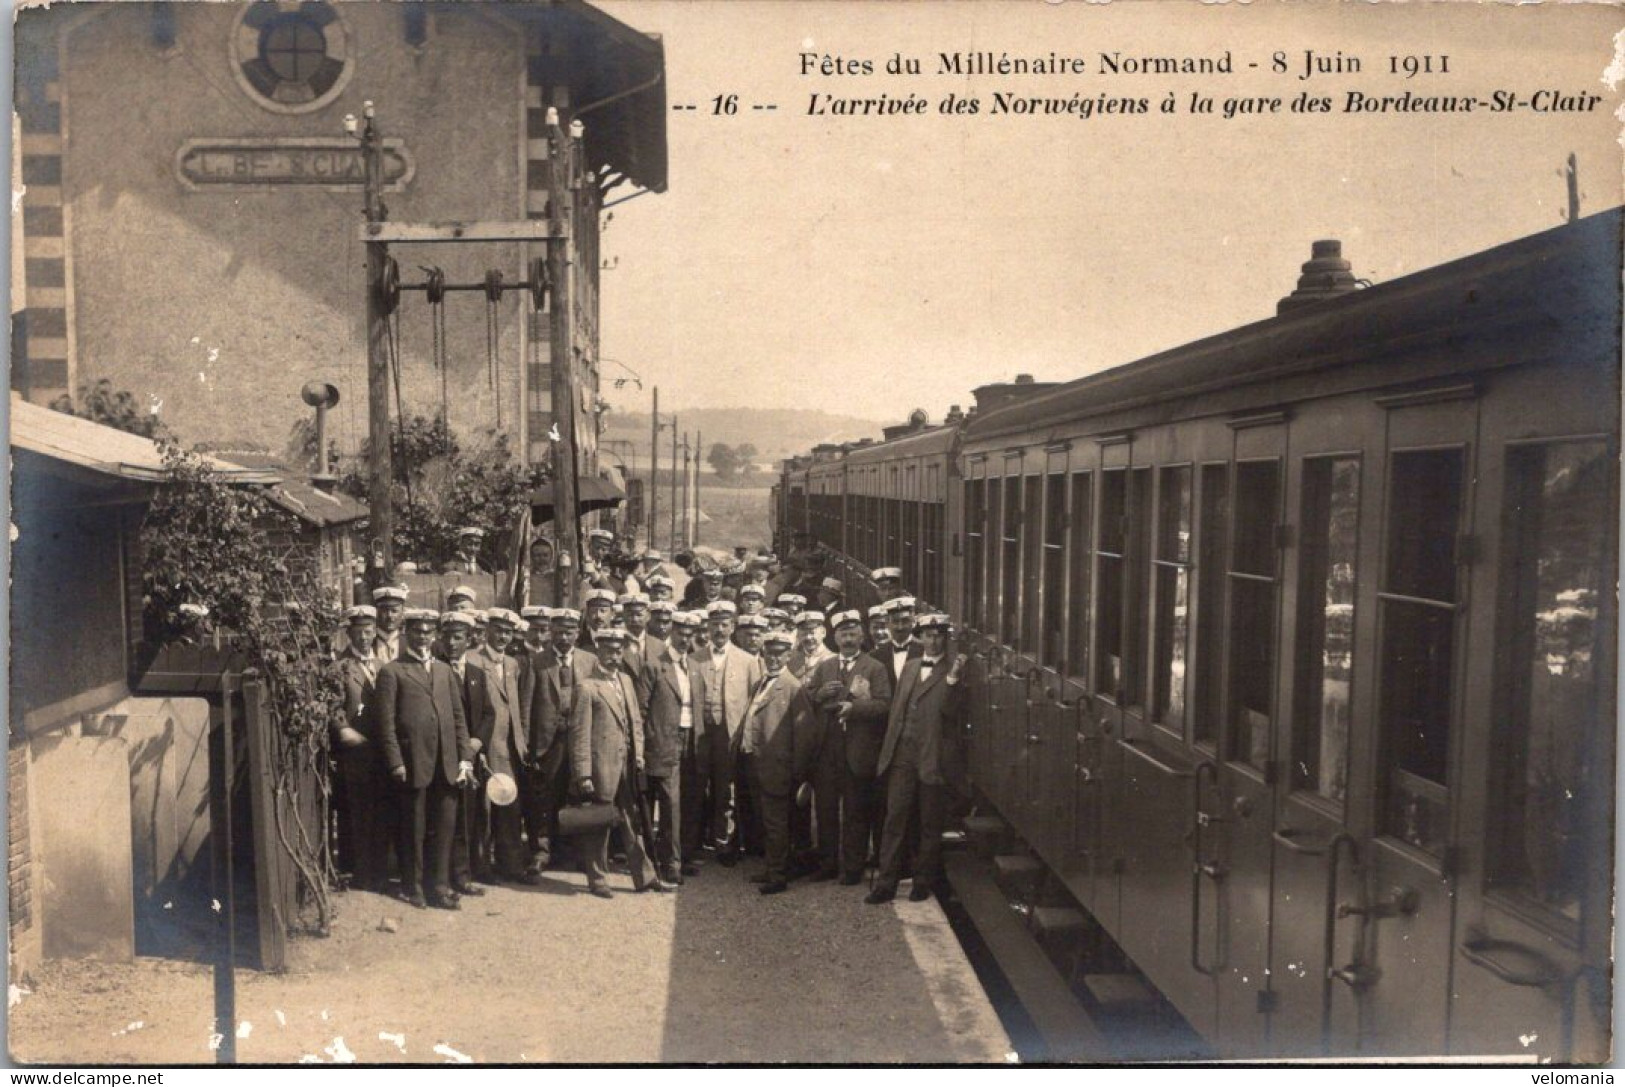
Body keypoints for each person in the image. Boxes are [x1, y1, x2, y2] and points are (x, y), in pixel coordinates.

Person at [867, 615, 978, 905]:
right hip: (902, 753)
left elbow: (952, 715)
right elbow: (897, 711)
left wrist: (953, 679)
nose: (933, 641)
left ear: (945, 639)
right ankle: (886, 882)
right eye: (928, 635)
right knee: (895, 817)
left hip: (932, 757)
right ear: (921, 638)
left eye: (938, 636)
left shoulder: (954, 671)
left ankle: (922, 881)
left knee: (929, 823)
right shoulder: (912, 667)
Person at [376, 609, 473, 910]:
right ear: (407, 634)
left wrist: (465, 759)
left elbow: (458, 718)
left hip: (447, 763)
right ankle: (412, 886)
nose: (423, 637)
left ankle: (440, 887)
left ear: (435, 635)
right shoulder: (392, 672)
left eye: (428, 631)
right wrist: (395, 762)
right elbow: (386, 724)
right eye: (417, 631)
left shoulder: (444, 671)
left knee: (444, 829)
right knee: (414, 829)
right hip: (413, 762)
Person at [568, 629, 672, 898]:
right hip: (602, 766)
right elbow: (579, 735)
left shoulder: (625, 680)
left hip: (627, 766)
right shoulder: (587, 687)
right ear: (598, 651)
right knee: (599, 824)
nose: (614, 656)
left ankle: (645, 876)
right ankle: (598, 879)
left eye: (618, 651)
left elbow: (635, 720)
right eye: (608, 651)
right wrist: (583, 774)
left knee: (632, 820)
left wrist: (638, 755)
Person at [806, 610, 893, 885]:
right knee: (826, 809)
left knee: (855, 811)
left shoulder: (874, 667)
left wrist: (854, 708)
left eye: (853, 633)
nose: (848, 639)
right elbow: (808, 698)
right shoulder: (826, 666)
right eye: (843, 634)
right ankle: (827, 863)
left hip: (857, 748)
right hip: (827, 748)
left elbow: (884, 704)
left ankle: (853, 867)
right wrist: (819, 695)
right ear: (835, 637)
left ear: (862, 636)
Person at [741, 631, 818, 895]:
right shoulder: (762, 683)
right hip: (758, 764)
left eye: (779, 653)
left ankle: (778, 875)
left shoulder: (793, 688)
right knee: (766, 820)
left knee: (777, 824)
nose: (773, 658)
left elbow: (805, 734)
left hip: (779, 767)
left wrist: (797, 773)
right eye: (768, 653)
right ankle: (771, 866)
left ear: (788, 655)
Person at [695, 600, 763, 866]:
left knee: (727, 789)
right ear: (708, 627)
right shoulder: (694, 658)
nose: (719, 630)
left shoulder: (747, 661)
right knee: (698, 785)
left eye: (724, 625)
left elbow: (755, 704)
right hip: (701, 733)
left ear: (733, 627)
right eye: (714, 625)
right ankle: (697, 841)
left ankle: (726, 842)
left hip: (730, 733)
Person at [468, 608, 533, 883]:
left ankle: (511, 864)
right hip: (484, 744)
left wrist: (522, 741)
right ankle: (481, 866)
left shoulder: (513, 665)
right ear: (487, 631)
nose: (503, 636)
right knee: (483, 807)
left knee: (509, 804)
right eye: (498, 630)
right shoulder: (472, 660)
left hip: (509, 747)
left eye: (508, 632)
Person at [642, 610, 705, 885]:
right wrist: (647, 745)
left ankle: (684, 855)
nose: (685, 639)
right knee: (670, 803)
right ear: (671, 633)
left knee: (689, 799)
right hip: (664, 742)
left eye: (690, 635)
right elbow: (641, 710)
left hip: (690, 740)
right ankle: (670, 863)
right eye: (681, 633)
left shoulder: (694, 666)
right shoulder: (655, 665)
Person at [529, 607, 593, 871]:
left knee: (576, 794)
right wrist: (528, 746)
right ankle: (542, 851)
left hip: (579, 737)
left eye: (569, 632)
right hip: (548, 741)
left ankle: (572, 851)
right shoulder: (537, 661)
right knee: (546, 796)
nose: (563, 638)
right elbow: (526, 706)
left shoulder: (590, 661)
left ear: (577, 633)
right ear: (550, 634)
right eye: (558, 632)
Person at [334, 605, 391, 892]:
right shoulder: (340, 666)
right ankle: (357, 871)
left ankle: (379, 870)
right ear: (349, 634)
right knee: (355, 810)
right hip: (354, 749)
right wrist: (343, 728)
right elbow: (333, 705)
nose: (364, 638)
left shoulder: (382, 666)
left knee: (379, 810)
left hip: (379, 749)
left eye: (369, 632)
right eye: (358, 632)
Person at [874, 597, 921, 687]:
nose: (900, 627)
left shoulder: (925, 651)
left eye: (905, 621)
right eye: (895, 621)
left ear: (913, 622)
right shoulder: (876, 655)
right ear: (887, 624)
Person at [787, 610, 833, 680]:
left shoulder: (833, 659)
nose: (808, 637)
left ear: (823, 632)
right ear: (798, 635)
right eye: (804, 634)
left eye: (812, 633)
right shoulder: (790, 659)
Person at [372, 584, 408, 662]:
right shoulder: (368, 643)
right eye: (384, 611)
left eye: (394, 611)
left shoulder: (409, 644)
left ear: (402, 613)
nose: (389, 616)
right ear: (377, 612)